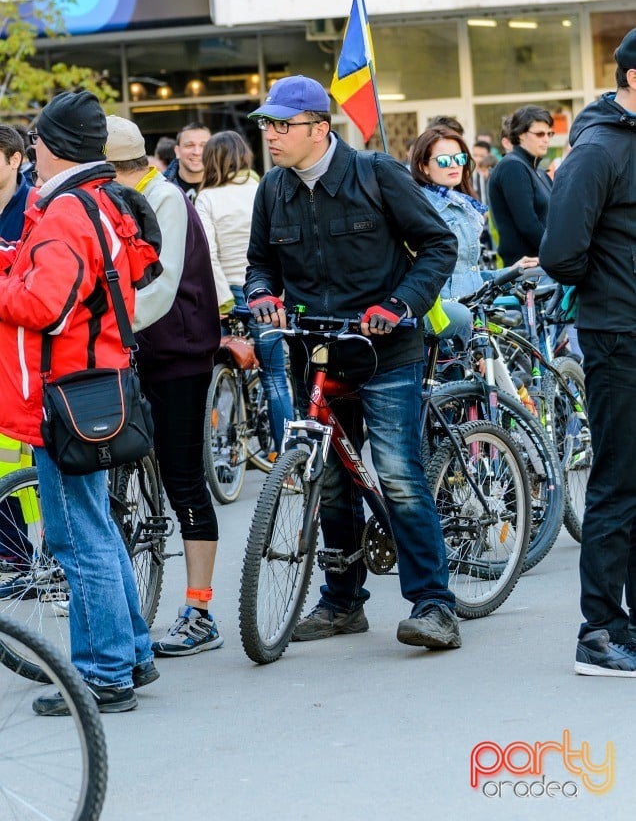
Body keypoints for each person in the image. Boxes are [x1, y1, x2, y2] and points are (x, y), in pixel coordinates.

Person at [244, 75, 462, 650]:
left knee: (397, 475)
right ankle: (342, 601)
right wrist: (262, 294)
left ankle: (434, 605)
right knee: (331, 480)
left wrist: (400, 304)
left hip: (385, 352)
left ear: (320, 128)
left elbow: (439, 245)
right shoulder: (273, 189)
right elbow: (260, 263)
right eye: (267, 124)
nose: (271, 135)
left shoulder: (376, 173)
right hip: (315, 352)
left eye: (283, 125)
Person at [0, 91, 162, 715]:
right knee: (96, 529)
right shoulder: (98, 200)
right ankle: (133, 653)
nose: (31, 149)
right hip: (96, 383)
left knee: (77, 539)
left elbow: (45, 305)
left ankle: (103, 674)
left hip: (66, 389)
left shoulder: (67, 210)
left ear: (50, 145)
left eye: (37, 140)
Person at [105, 115, 224, 657]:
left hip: (177, 355)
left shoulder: (165, 199)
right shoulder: (113, 200)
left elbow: (163, 282)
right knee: (118, 477)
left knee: (183, 478)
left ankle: (200, 610)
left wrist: (111, 328)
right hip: (130, 353)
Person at [540, 27, 636, 676]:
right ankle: (598, 632)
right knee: (618, 484)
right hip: (620, 334)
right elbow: (561, 254)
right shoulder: (599, 148)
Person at [195, 129, 294, 451]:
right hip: (264, 291)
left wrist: (221, 298)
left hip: (227, 291)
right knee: (275, 376)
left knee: (218, 369)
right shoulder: (262, 189)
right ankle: (288, 458)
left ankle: (224, 448)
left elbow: (206, 253)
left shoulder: (206, 198)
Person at [411, 125, 537, 349]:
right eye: (443, 160)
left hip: (471, 316)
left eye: (459, 158)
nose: (453, 165)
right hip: (446, 325)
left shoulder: (461, 204)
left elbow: (467, 274)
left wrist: (511, 271)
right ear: (424, 167)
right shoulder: (424, 208)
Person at [0, 125, 34, 572]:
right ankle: (12, 549)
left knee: (19, 452)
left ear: (14, 160)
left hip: (24, 354)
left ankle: (29, 552)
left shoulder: (34, 208)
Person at [487, 105, 554, 266]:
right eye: (539, 134)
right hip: (526, 270)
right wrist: (558, 252)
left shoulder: (537, 171)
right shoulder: (513, 166)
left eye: (549, 133)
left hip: (542, 264)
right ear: (521, 135)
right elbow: (527, 224)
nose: (546, 139)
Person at [164, 122, 211, 200]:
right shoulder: (159, 187)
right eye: (189, 145)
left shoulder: (226, 187)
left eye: (204, 146)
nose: (197, 152)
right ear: (177, 151)